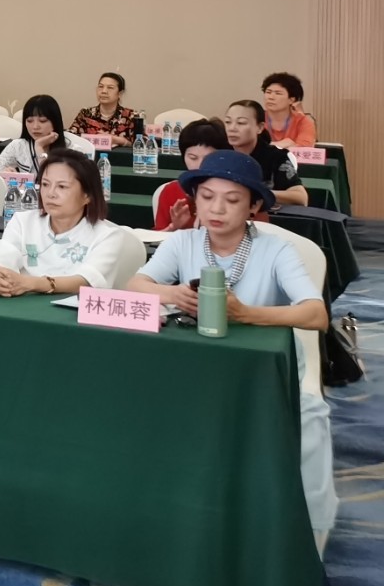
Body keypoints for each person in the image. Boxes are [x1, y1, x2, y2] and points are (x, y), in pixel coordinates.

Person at [128, 149, 335, 536]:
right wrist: (172, 294)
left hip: (262, 376)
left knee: (309, 418)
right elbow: (135, 285)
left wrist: (246, 314)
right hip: (196, 369)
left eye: (232, 199)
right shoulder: (181, 243)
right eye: (206, 197)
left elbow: (315, 314)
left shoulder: (276, 249)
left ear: (254, 205)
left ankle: (305, 533)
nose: (216, 208)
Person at [0, 151, 129, 294]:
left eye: (62, 186)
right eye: (45, 184)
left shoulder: (108, 236)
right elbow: (3, 256)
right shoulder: (22, 221)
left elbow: (85, 281)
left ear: (87, 195)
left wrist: (30, 284)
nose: (50, 193)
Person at [224, 100, 307, 207]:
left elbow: (301, 198)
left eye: (241, 123)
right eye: (228, 122)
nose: (231, 128)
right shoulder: (220, 153)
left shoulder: (276, 156)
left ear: (260, 127)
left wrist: (259, 193)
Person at [153, 118, 231, 231]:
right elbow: (157, 237)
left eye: (208, 158)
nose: (200, 165)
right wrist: (174, 227)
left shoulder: (233, 191)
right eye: (193, 158)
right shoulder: (171, 191)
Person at [0, 95, 94, 177]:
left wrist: (39, 147)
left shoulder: (72, 150)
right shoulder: (18, 146)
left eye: (42, 121)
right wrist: (3, 174)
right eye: (29, 121)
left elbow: (50, 179)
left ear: (55, 122)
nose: (35, 127)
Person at [70, 72, 138, 145]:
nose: (104, 91)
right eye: (101, 86)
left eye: (110, 87)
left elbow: (141, 144)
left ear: (120, 93)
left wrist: (118, 140)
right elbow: (70, 138)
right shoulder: (86, 113)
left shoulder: (130, 116)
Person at [262, 72, 317, 150]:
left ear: (291, 100)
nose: (271, 97)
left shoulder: (303, 122)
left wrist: (268, 146)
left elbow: (304, 150)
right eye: (268, 92)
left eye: (278, 93)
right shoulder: (255, 119)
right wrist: (283, 144)